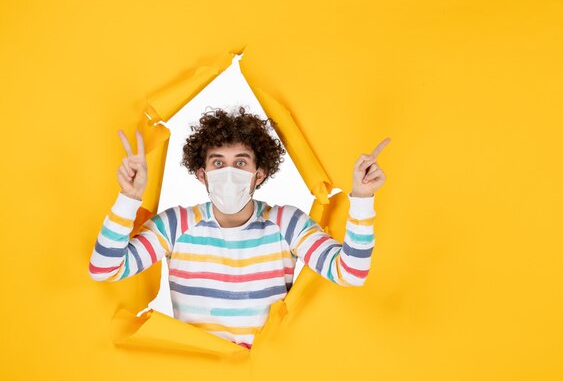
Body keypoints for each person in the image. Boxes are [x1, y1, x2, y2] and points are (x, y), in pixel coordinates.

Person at [89, 107, 389, 349]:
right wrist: (129, 197)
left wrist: (362, 199)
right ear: (202, 174)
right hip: (196, 377)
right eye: (218, 163)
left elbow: (350, 272)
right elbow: (105, 269)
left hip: (261, 379)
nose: (229, 173)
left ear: (259, 174)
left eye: (240, 162)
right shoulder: (175, 225)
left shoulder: (287, 223)